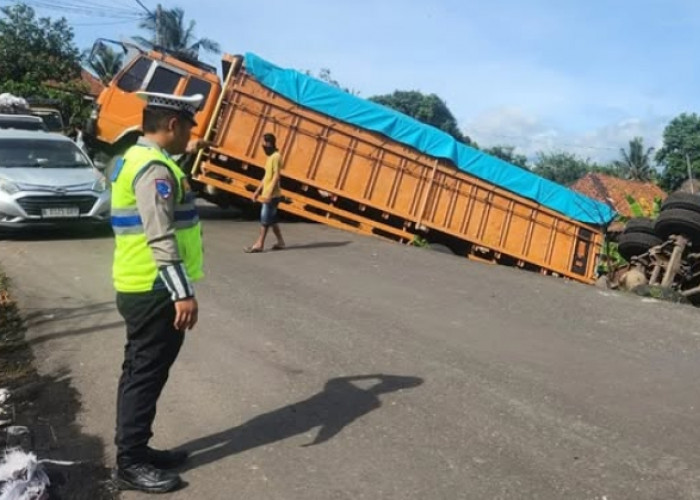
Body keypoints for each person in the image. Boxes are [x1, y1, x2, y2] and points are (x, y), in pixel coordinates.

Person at [110, 91, 208, 493]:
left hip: (138, 283)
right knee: (145, 375)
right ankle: (130, 461)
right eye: (188, 128)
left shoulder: (134, 158)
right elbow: (161, 235)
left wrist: (183, 157)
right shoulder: (155, 170)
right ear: (172, 125)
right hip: (155, 288)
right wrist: (182, 293)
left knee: (140, 371)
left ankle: (137, 448)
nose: (190, 136)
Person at [244, 133, 286, 253]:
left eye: (264, 143)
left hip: (272, 195)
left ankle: (259, 244)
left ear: (269, 143)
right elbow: (266, 176)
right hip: (267, 193)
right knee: (272, 220)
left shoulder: (276, 157)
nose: (263, 146)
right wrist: (257, 191)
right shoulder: (270, 157)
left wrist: (268, 194)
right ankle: (281, 242)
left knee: (265, 220)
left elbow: (276, 176)